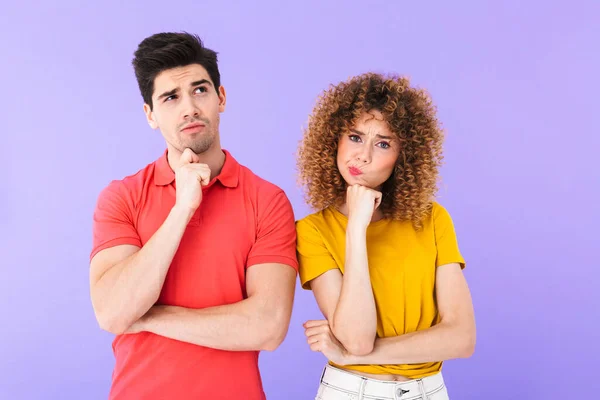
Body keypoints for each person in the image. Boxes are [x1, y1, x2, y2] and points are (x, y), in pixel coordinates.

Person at [89, 32, 298, 400]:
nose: (189, 107)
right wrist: (181, 209)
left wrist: (150, 317)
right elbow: (112, 312)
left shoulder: (268, 200)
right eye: (170, 97)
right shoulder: (121, 198)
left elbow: (268, 326)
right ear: (150, 115)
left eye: (200, 90)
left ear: (221, 98)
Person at [296, 73, 476, 399]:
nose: (362, 155)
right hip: (350, 391)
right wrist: (355, 229)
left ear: (403, 157)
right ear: (333, 139)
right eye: (354, 136)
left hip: (430, 391)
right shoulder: (312, 231)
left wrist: (351, 357)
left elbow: (461, 338)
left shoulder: (432, 219)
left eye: (382, 143)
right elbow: (357, 338)